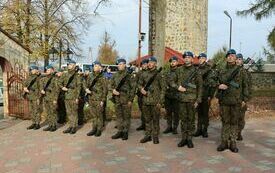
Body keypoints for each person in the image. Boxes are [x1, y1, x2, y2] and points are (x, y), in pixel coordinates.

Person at [216, 49, 249, 153]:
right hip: (224, 101)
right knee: (225, 121)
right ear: (226, 58)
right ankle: (224, 142)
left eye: (233, 55)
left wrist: (244, 99)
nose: (230, 57)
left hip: (236, 101)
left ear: (235, 58)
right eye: (229, 55)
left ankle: (233, 142)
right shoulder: (221, 70)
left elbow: (245, 86)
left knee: (234, 122)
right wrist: (218, 85)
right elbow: (211, 80)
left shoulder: (241, 71)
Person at [170, 51, 203, 148]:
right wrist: (177, 87)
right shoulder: (179, 70)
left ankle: (189, 138)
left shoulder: (197, 71)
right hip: (181, 99)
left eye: (189, 57)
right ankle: (183, 138)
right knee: (183, 120)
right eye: (185, 57)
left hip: (192, 100)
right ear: (183, 59)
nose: (187, 59)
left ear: (192, 59)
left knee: (191, 120)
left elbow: (200, 87)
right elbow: (170, 80)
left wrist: (198, 100)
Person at [139, 56, 165, 144]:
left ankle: (155, 136)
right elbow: (139, 84)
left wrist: (160, 102)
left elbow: (163, 89)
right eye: (148, 62)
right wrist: (141, 89)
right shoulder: (144, 74)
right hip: (145, 100)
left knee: (155, 119)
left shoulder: (159, 74)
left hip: (155, 102)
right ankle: (148, 135)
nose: (149, 64)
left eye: (151, 62)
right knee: (147, 119)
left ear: (155, 63)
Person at [111, 58, 135, 140]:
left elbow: (133, 88)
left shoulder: (129, 75)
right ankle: (119, 131)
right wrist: (113, 90)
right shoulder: (115, 75)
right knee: (119, 116)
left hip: (126, 99)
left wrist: (130, 100)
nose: (119, 66)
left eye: (121, 64)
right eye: (118, 64)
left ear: (125, 65)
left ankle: (125, 132)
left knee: (126, 116)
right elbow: (110, 85)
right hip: (117, 99)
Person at [194, 53, 217, 138]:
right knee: (199, 113)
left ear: (205, 59)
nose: (200, 59)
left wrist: (210, 96)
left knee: (205, 113)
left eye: (202, 58)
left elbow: (213, 84)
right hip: (197, 95)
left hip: (206, 94)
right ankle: (199, 129)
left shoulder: (209, 70)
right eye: (199, 58)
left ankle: (204, 130)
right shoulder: (196, 69)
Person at [85, 61, 108, 137]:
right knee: (94, 115)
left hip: (99, 99)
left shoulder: (103, 77)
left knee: (99, 115)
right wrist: (86, 89)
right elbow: (85, 84)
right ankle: (94, 129)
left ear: (100, 67)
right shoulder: (90, 76)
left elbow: (105, 90)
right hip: (91, 98)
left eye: (96, 66)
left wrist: (103, 100)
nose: (94, 67)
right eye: (94, 66)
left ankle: (99, 129)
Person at [60, 60, 81, 134]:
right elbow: (59, 82)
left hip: (74, 96)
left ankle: (74, 127)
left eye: (71, 64)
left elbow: (79, 87)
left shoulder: (77, 75)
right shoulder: (64, 74)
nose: (69, 65)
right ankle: (70, 126)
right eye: (68, 64)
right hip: (66, 96)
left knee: (74, 112)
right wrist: (62, 87)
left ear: (74, 65)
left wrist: (77, 97)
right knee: (69, 112)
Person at [236, 53, 252, 141]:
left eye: (239, 59)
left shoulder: (246, 73)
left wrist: (245, 100)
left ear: (242, 61)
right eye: (237, 59)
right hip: (233, 99)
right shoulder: (231, 71)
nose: (238, 61)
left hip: (242, 99)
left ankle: (238, 132)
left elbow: (249, 87)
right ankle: (232, 132)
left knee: (240, 117)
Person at [163, 56, 180, 134]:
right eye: (171, 61)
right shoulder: (167, 72)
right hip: (168, 95)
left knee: (176, 113)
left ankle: (175, 127)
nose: (172, 63)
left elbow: (180, 83)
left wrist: (174, 85)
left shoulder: (179, 72)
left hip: (176, 95)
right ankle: (169, 126)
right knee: (168, 112)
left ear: (177, 62)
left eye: (174, 61)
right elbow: (163, 81)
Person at [40, 65, 60, 132]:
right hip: (46, 97)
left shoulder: (55, 79)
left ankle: (54, 125)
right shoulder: (44, 79)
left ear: (52, 70)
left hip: (52, 97)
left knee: (53, 112)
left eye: (48, 70)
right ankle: (50, 125)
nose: (47, 71)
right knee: (48, 112)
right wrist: (41, 90)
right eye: (46, 70)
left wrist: (55, 99)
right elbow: (41, 86)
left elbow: (57, 90)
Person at [24, 65, 42, 130]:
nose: (32, 71)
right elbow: (25, 84)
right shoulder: (29, 77)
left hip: (36, 96)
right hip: (30, 96)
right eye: (31, 70)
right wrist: (25, 88)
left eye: (33, 69)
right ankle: (33, 123)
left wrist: (39, 98)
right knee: (32, 111)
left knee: (37, 110)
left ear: (36, 70)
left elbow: (41, 88)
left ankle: (37, 124)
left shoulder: (39, 78)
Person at [135, 58, 149, 131]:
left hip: (147, 94)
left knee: (147, 110)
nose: (144, 65)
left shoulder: (150, 72)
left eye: (145, 64)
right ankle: (143, 124)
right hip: (140, 94)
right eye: (143, 64)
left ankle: (147, 125)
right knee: (142, 110)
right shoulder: (139, 73)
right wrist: (140, 88)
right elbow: (136, 83)